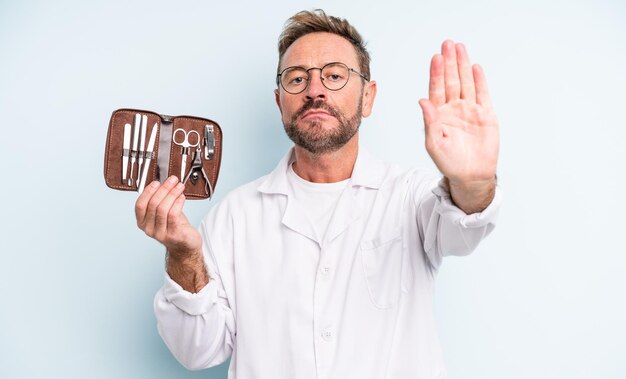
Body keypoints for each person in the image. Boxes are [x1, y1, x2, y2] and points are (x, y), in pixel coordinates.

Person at [135, 9, 500, 379]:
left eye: (335, 75)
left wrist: (472, 180)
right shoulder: (235, 216)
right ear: (279, 103)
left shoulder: (410, 196)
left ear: (368, 98)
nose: (314, 90)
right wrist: (183, 256)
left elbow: (464, 225)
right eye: (296, 79)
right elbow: (197, 349)